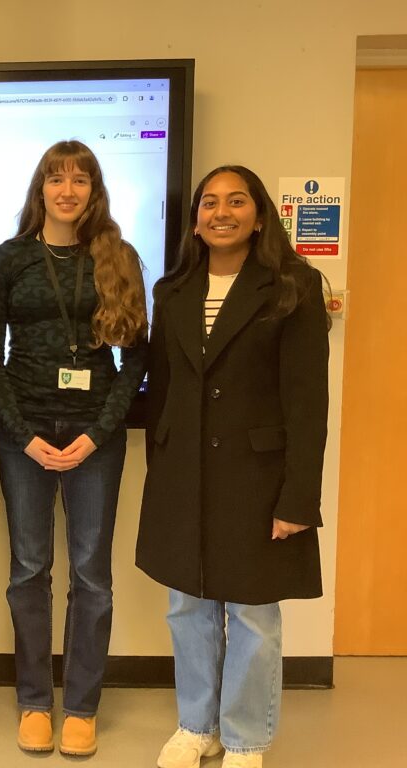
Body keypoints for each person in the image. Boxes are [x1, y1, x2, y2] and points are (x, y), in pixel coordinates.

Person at [137, 166, 329, 768]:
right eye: (209, 202)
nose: (221, 212)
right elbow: (163, 389)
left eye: (236, 201)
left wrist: (298, 499)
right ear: (195, 217)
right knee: (187, 605)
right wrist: (161, 473)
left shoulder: (293, 285)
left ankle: (245, 737)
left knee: (251, 614)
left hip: (259, 477)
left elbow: (308, 402)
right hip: (184, 472)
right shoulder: (173, 290)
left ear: (259, 212)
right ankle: (198, 725)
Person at [0, 140, 149, 756]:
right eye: (56, 178)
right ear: (40, 189)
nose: (67, 190)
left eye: (80, 179)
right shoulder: (9, 259)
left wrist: (96, 434)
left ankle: (80, 705)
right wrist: (23, 435)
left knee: (91, 576)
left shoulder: (119, 256)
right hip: (22, 435)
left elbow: (135, 362)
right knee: (28, 571)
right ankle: (33, 702)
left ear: (94, 190)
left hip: (94, 437)